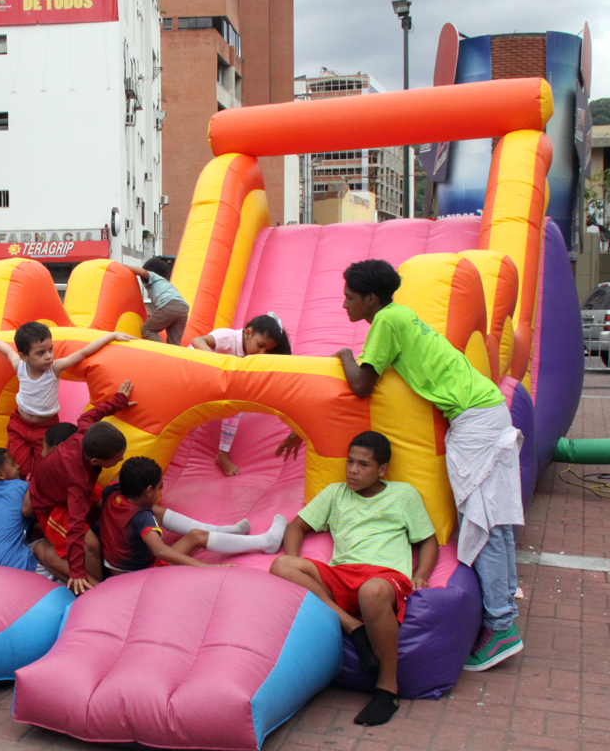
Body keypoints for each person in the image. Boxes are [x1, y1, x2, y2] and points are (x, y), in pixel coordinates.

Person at [335, 259, 523, 672]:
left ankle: (502, 627)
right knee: (496, 524)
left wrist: (346, 355)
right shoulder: (402, 316)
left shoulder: (386, 320)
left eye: (349, 296)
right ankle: (505, 615)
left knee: (482, 524)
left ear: (370, 298)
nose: (343, 303)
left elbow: (362, 385)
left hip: (474, 421)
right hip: (488, 411)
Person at [269, 431, 438, 726]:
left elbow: (428, 540)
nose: (352, 471)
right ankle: (353, 627)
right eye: (350, 462)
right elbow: (295, 527)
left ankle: (387, 689)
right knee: (281, 566)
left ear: (382, 469)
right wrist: (295, 558)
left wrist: (422, 574)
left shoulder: (404, 494)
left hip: (384, 577)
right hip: (342, 575)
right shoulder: (336, 493)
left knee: (371, 592)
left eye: (363, 465)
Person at [88, 456, 285, 574]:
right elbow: (161, 551)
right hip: (139, 574)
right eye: (159, 489)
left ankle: (222, 531)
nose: (159, 493)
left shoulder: (112, 491)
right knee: (196, 537)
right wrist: (205, 568)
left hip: (114, 566)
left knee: (152, 509)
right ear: (149, 491)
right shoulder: (142, 519)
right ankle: (266, 542)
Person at [23, 381, 133, 593]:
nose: (121, 460)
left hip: (62, 487)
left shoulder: (84, 433)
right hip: (51, 505)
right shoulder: (77, 483)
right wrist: (76, 571)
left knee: (109, 503)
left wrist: (119, 402)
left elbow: (89, 416)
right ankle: (99, 589)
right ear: (95, 462)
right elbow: (75, 527)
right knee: (90, 544)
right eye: (117, 460)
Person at [0, 322, 133, 478]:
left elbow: (83, 353)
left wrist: (112, 335)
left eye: (50, 349)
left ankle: (36, 488)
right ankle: (20, 488)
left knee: (45, 465)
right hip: (19, 424)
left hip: (45, 428)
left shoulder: (54, 368)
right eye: (40, 353)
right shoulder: (19, 365)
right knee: (17, 464)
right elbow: (8, 351)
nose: (49, 356)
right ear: (24, 356)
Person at [190, 313, 292, 477]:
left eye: (267, 350)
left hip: (213, 383)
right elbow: (197, 341)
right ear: (248, 333)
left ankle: (222, 454)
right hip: (193, 372)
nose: (261, 353)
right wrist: (215, 363)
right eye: (260, 345)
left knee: (235, 407)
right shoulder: (227, 337)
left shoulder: (251, 357)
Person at [127, 258, 189, 345]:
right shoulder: (166, 284)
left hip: (170, 305)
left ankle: (163, 353)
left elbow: (143, 272)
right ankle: (173, 357)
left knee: (147, 330)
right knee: (174, 343)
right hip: (184, 308)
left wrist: (123, 266)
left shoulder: (153, 276)